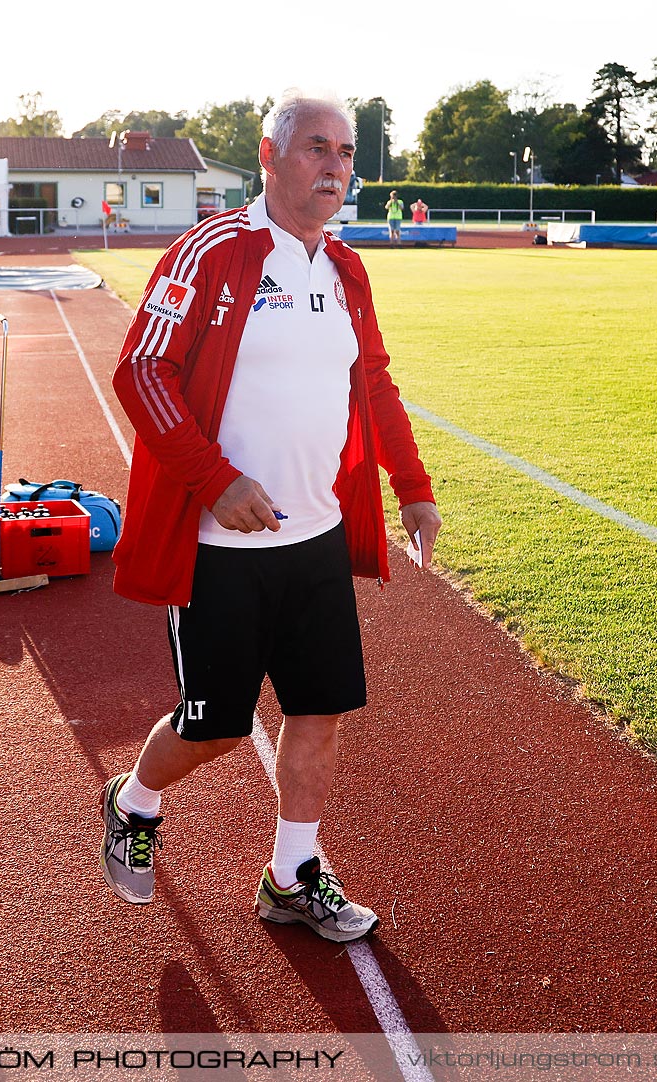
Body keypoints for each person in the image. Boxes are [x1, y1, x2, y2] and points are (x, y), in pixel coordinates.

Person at [102, 88, 442, 944]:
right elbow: (142, 371)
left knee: (319, 709)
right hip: (222, 546)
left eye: (347, 154)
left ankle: (291, 874)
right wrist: (214, 480)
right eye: (317, 148)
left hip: (317, 537)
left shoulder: (346, 267)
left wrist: (412, 485)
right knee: (214, 727)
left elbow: (374, 383)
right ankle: (134, 799)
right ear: (269, 153)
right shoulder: (213, 250)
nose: (336, 167)